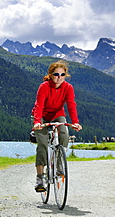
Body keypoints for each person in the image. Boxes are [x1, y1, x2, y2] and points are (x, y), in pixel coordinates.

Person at [31, 60, 82, 192]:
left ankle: (59, 164)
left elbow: (71, 105)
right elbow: (39, 105)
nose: (59, 77)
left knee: (64, 135)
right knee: (42, 145)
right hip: (41, 116)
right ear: (50, 74)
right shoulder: (44, 86)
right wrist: (37, 122)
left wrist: (75, 122)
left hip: (58, 115)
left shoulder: (68, 87)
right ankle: (40, 178)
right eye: (56, 74)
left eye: (62, 74)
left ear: (66, 75)